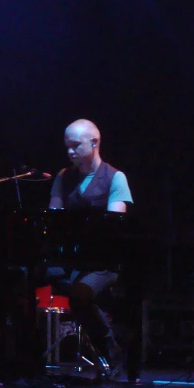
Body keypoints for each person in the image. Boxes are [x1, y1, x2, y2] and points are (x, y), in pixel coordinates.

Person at [47, 118, 133, 369]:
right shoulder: (63, 176)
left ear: (94, 142)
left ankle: (112, 352)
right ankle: (22, 355)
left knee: (80, 294)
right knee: (19, 276)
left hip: (101, 262)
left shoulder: (116, 178)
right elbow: (52, 218)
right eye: (67, 147)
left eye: (75, 146)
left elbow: (114, 226)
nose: (69, 152)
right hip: (68, 258)